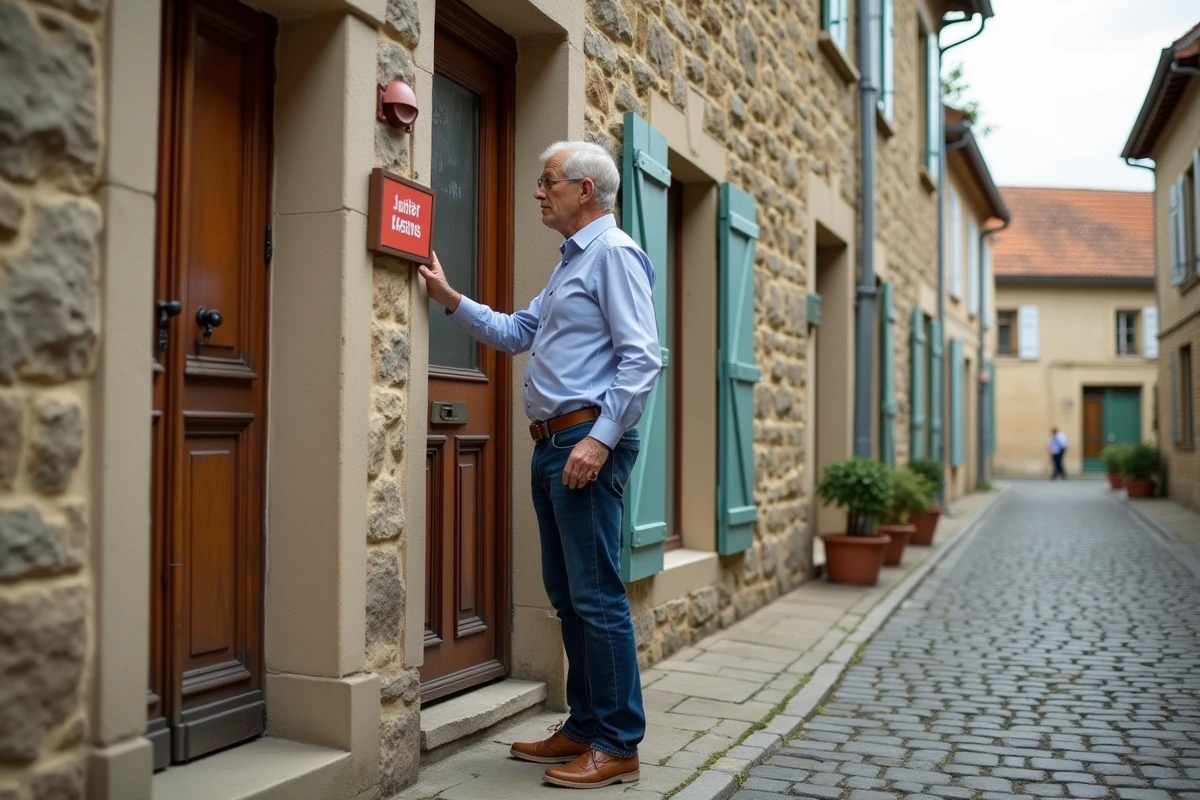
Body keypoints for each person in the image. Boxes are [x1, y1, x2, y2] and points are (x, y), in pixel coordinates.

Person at [417, 141, 661, 790]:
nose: (538, 192)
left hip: (583, 445)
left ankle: (618, 744)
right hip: (555, 445)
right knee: (570, 596)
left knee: (598, 598)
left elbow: (643, 359)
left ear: (586, 190)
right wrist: (449, 297)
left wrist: (600, 440)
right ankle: (584, 726)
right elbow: (519, 331)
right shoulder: (571, 263)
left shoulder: (613, 255)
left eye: (547, 181)